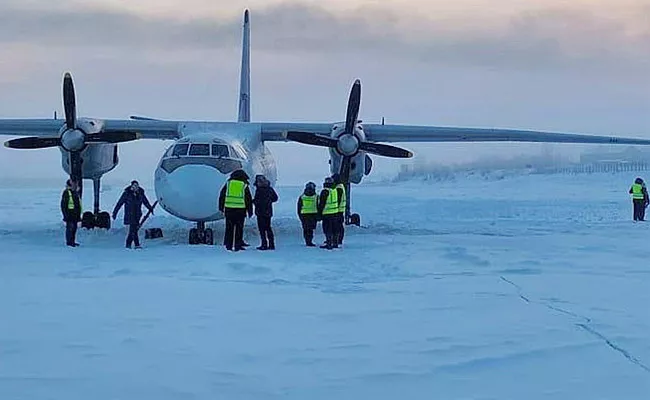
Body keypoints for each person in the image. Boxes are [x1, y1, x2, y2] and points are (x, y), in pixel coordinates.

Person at [112, 180, 154, 249]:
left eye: (137, 186)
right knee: (133, 229)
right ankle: (137, 245)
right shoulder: (127, 193)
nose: (135, 187)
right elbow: (119, 203)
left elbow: (145, 201)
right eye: (134, 186)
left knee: (133, 230)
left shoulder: (140, 193)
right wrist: (115, 213)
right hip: (130, 214)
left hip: (137, 214)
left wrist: (150, 208)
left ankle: (128, 244)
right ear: (131, 186)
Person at [219, 169, 253, 251]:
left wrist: (221, 207)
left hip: (229, 210)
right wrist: (250, 211)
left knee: (229, 229)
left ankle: (228, 245)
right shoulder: (244, 185)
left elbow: (222, 196)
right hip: (240, 211)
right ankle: (238, 245)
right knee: (239, 229)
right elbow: (248, 199)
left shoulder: (228, 184)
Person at [252, 174, 278, 250]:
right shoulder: (269, 189)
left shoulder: (259, 190)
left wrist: (254, 201)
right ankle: (271, 244)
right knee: (268, 228)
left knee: (262, 229)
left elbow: (258, 201)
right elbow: (275, 198)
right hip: (268, 211)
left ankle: (264, 244)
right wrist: (268, 202)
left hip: (260, 212)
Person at [317, 176, 341, 249]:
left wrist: (319, 213)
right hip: (335, 213)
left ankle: (329, 243)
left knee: (327, 229)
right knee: (335, 228)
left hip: (327, 213)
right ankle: (335, 243)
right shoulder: (334, 190)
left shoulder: (325, 191)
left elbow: (322, 203)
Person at [61, 179, 82, 247]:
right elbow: (63, 205)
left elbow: (78, 205)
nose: (76, 185)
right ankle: (69, 242)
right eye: (74, 184)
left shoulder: (75, 193)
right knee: (70, 228)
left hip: (75, 215)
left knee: (74, 229)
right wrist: (65, 215)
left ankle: (72, 241)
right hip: (70, 214)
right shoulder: (67, 193)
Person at [297, 181, 318, 247]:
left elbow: (299, 207)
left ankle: (307, 241)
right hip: (313, 214)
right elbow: (319, 206)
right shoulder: (316, 196)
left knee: (306, 229)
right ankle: (310, 241)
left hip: (304, 215)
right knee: (310, 229)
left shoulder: (302, 196)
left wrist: (300, 216)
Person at [331, 173, 346, 245]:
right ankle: (337, 239)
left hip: (338, 210)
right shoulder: (340, 186)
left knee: (338, 226)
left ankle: (338, 239)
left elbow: (338, 200)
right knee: (339, 225)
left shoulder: (338, 188)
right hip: (340, 210)